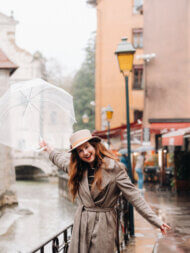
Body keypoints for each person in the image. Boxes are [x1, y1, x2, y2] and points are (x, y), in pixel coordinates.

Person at [40, 129, 170, 253]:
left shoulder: (114, 168)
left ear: (95, 146)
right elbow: (61, 160)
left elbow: (134, 196)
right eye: (80, 151)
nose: (85, 153)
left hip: (104, 223)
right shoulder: (77, 169)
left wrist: (156, 221)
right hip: (82, 223)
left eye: (87, 147)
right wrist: (49, 149)